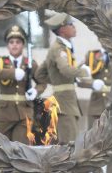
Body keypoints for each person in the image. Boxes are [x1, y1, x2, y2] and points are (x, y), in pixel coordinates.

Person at [35, 13, 92, 145]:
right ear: (62, 29)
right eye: (70, 25)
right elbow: (65, 70)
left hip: (66, 100)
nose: (74, 27)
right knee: (69, 144)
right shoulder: (58, 48)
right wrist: (84, 71)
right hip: (64, 102)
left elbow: (39, 74)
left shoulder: (63, 47)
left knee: (67, 142)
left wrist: (59, 81)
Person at [0, 25, 46, 145]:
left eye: (18, 42)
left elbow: (42, 82)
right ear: (7, 45)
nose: (14, 45)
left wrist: (35, 91)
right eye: (11, 42)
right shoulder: (1, 61)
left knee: (20, 149)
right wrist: (12, 73)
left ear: (23, 45)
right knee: (2, 149)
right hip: (4, 114)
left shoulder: (30, 63)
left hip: (24, 113)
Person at [84, 49, 112, 173]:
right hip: (96, 106)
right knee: (93, 145)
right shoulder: (92, 56)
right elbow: (79, 77)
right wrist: (92, 83)